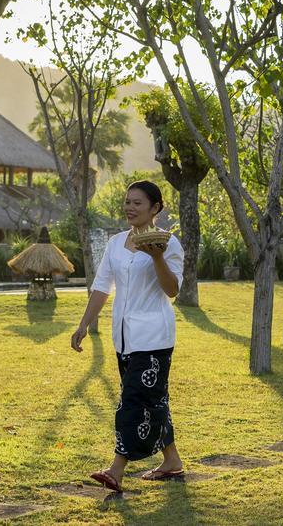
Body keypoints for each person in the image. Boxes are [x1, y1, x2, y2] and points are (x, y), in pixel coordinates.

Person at [70, 180, 186, 492]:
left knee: (132, 401)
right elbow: (102, 286)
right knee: (153, 400)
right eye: (127, 202)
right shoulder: (115, 243)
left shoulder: (170, 244)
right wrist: (83, 325)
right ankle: (172, 461)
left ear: (155, 208)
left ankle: (116, 470)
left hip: (154, 338)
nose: (130, 208)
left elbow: (172, 290)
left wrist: (157, 256)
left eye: (138, 203)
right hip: (123, 338)